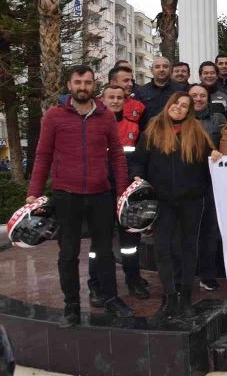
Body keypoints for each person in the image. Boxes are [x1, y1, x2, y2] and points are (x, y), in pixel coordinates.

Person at [27, 65, 134, 327]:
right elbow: (43, 155)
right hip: (66, 195)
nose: (83, 87)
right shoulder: (54, 116)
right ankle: (71, 305)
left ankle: (111, 298)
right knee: (68, 254)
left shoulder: (105, 115)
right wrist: (34, 193)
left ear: (93, 85)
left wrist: (121, 192)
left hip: (100, 194)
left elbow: (117, 156)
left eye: (87, 82)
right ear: (69, 85)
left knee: (105, 252)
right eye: (78, 82)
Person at [129, 92, 220, 322]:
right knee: (163, 248)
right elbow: (139, 160)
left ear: (189, 111)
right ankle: (169, 296)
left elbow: (210, 157)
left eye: (185, 106)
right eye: (176, 104)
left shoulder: (196, 131)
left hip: (192, 200)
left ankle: (185, 295)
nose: (179, 108)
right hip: (162, 200)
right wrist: (137, 178)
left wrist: (217, 155)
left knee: (188, 248)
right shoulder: (152, 129)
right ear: (169, 105)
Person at [86, 84, 150, 305]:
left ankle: (133, 280)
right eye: (110, 97)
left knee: (130, 242)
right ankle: (96, 286)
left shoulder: (133, 128)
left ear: (125, 101)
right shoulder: (91, 125)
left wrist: (136, 180)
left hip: (126, 193)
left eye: (119, 98)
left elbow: (138, 160)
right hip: (99, 193)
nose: (115, 101)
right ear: (101, 100)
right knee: (98, 244)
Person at [186, 83, 226, 293]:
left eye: (202, 95)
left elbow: (225, 144)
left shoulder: (218, 119)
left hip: (212, 182)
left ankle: (208, 275)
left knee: (210, 231)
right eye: (194, 96)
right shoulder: (181, 119)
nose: (198, 99)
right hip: (187, 182)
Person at [136, 57, 187, 130]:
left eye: (165, 67)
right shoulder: (142, 91)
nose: (161, 69)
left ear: (170, 70)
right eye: (157, 67)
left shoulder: (180, 90)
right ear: (151, 70)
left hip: (174, 135)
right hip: (149, 135)